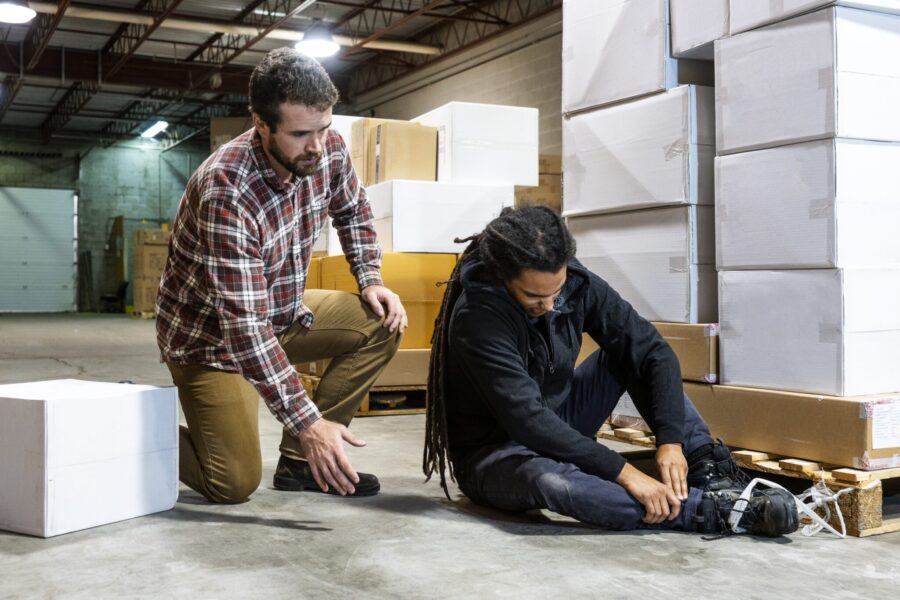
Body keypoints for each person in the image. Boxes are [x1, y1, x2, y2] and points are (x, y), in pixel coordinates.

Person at [423, 205, 798, 536]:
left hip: (561, 421)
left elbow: (652, 350)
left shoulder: (575, 282)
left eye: (557, 291)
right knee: (554, 482)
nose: (551, 305)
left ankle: (707, 471)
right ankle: (711, 511)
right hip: (497, 455)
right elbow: (528, 421)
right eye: (536, 298)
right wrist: (625, 473)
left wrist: (671, 441)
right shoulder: (477, 318)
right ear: (504, 277)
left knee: (626, 354)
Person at [156, 48, 406, 504]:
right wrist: (308, 421)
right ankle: (122, 425)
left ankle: (298, 464)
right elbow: (246, 332)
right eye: (300, 134)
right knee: (231, 482)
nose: (316, 145)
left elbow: (353, 210)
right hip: (213, 340)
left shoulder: (325, 148)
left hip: (283, 310)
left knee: (381, 322)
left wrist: (370, 278)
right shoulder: (227, 190)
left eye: (324, 128)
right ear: (261, 123)